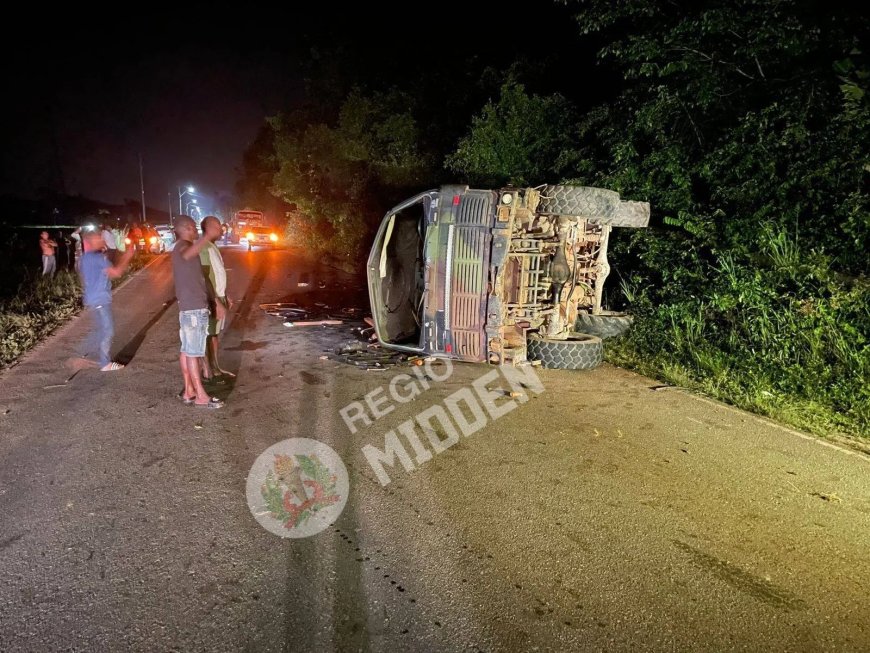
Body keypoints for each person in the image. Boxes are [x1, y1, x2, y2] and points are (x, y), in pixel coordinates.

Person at [171, 215, 225, 408]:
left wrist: (215, 300)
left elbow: (201, 276)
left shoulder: (181, 249)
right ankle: (201, 396)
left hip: (190, 308)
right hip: (193, 309)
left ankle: (189, 391)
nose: (196, 231)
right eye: (194, 228)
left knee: (187, 351)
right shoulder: (182, 248)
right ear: (186, 228)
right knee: (193, 352)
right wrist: (206, 237)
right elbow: (187, 254)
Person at [78, 231, 134, 371]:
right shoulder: (99, 258)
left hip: (92, 297)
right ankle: (105, 363)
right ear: (92, 242)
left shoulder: (85, 258)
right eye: (99, 239)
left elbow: (84, 277)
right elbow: (116, 273)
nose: (102, 240)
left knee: (101, 329)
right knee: (107, 331)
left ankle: (83, 354)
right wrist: (128, 256)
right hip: (101, 298)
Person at [199, 215, 235, 382]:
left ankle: (215, 368)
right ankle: (208, 373)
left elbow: (217, 275)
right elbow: (204, 277)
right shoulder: (203, 247)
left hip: (218, 297)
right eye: (218, 226)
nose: (221, 229)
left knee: (213, 335)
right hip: (211, 300)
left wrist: (225, 295)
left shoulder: (211, 246)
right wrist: (216, 301)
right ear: (209, 227)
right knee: (208, 335)